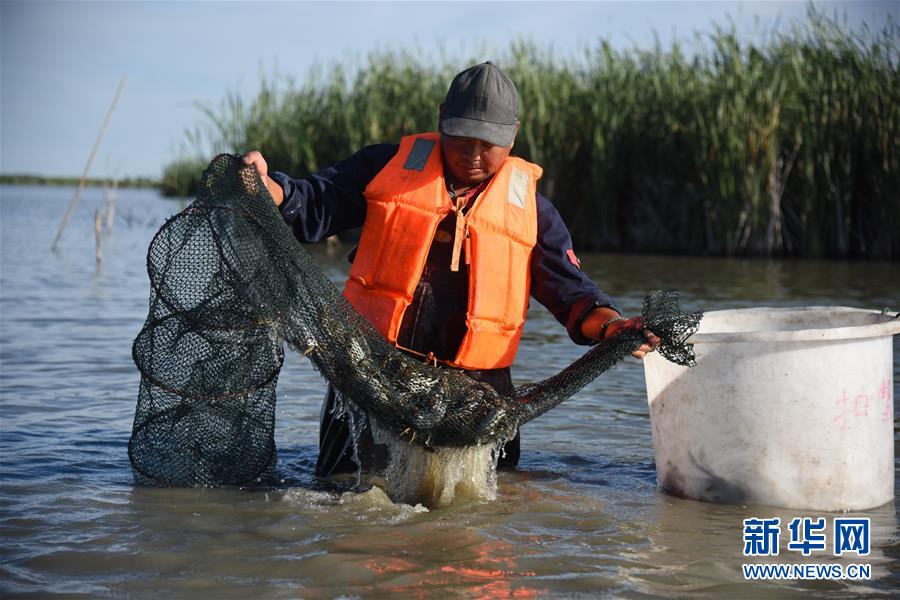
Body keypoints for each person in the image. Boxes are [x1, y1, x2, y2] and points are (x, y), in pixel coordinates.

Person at [243, 61, 659, 477]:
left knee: (481, 521)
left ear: (513, 134)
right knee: (344, 502)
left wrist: (612, 327)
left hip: (478, 399)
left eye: (489, 142)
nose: (473, 154)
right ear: (442, 117)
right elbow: (313, 202)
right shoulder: (385, 167)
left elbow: (575, 297)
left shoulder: (534, 212)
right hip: (370, 380)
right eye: (461, 137)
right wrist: (271, 189)